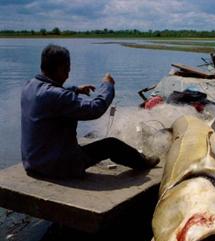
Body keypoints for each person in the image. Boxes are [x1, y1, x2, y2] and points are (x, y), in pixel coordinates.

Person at [21, 44, 159, 179]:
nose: (68, 75)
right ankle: (144, 162)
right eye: (67, 70)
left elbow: (51, 95)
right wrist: (107, 86)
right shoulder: (58, 96)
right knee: (111, 145)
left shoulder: (30, 86)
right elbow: (95, 109)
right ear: (60, 69)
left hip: (33, 163)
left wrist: (75, 89)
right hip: (57, 167)